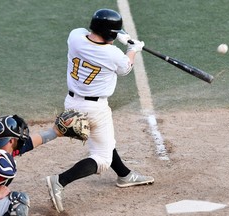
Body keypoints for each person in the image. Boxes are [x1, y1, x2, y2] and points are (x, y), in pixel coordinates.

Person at [46, 8, 154, 213]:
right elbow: (126, 67)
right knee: (101, 158)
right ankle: (59, 181)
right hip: (94, 109)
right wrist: (132, 47)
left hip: (72, 104)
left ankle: (124, 175)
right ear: (109, 35)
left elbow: (94, 36)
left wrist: (117, 35)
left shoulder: (75, 37)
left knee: (105, 142)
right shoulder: (112, 54)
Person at [0, 114, 60, 216]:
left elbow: (29, 143)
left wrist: (55, 132)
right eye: (19, 137)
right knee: (18, 201)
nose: (22, 139)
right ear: (11, 141)